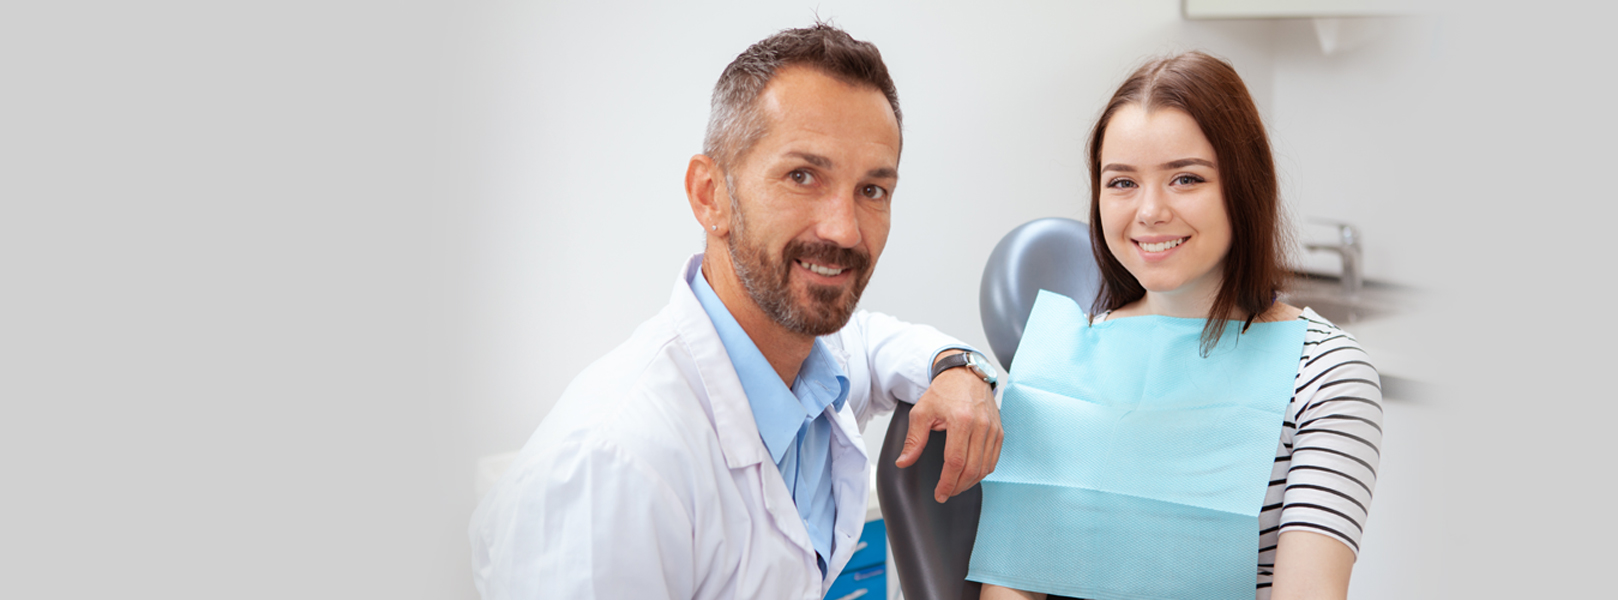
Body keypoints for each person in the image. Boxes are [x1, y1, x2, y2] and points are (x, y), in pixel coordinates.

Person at [469, 24, 1005, 600]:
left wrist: (959, 367)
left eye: (872, 190)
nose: (845, 231)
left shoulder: (804, 363)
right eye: (802, 176)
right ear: (710, 195)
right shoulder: (611, 472)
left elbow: (874, 343)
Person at [971, 52, 1383, 600]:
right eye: (1122, 182)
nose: (1150, 211)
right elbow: (1013, 587)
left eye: (1186, 178)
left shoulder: (1325, 373)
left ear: (1245, 186)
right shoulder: (1060, 362)